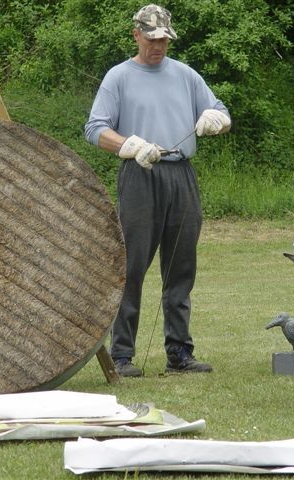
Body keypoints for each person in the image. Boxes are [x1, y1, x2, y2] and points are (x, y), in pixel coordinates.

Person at [84, 4, 231, 377]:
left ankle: (179, 352)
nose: (158, 46)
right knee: (131, 266)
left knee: (181, 266)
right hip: (140, 174)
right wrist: (130, 146)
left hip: (181, 174)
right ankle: (122, 355)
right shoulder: (119, 77)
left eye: (164, 39)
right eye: (151, 39)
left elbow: (219, 111)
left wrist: (217, 119)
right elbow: (95, 129)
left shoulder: (185, 75)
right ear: (136, 35)